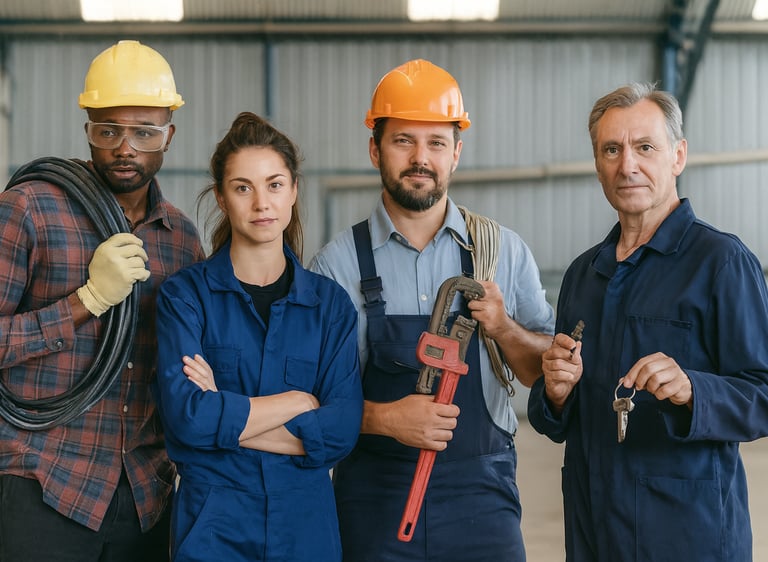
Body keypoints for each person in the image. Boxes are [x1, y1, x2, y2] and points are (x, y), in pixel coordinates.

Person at [310, 59, 555, 561]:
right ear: (375, 147)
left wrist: (506, 329)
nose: (421, 158)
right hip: (374, 497)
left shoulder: (502, 252)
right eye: (403, 140)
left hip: (481, 495)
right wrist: (384, 418)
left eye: (436, 143)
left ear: (456, 153)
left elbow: (540, 373)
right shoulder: (335, 266)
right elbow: (312, 401)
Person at [527, 82, 768, 561]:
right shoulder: (584, 274)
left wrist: (693, 390)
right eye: (611, 150)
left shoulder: (720, 262)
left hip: (686, 537)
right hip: (592, 533)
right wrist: (555, 392)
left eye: (645, 147)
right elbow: (556, 417)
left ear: (677, 156)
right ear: (597, 164)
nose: (627, 165)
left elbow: (762, 394)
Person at [0, 40, 205, 561]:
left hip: (144, 495)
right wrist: (84, 302)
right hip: (44, 480)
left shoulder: (180, 238)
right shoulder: (30, 208)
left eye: (144, 132)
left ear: (169, 136)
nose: (125, 147)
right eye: (107, 130)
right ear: (88, 127)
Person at [153, 111, 363, 561]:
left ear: (292, 193)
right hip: (214, 523)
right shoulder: (185, 298)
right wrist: (300, 403)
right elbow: (185, 419)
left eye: (274, 184)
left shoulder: (330, 307)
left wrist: (222, 419)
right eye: (242, 187)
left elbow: (341, 432)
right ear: (222, 199)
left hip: (305, 523)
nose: (261, 203)